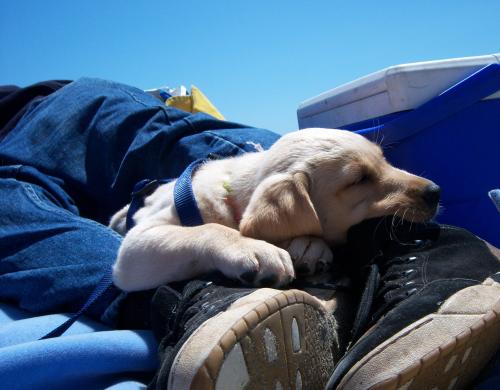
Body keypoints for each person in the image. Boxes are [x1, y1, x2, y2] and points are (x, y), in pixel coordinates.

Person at [0, 78, 498, 389]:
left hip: (43, 107)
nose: (425, 188)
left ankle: (431, 260)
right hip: (41, 180)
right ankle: (201, 302)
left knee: (282, 156)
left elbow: (288, 174)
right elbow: (131, 263)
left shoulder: (269, 188)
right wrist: (227, 243)